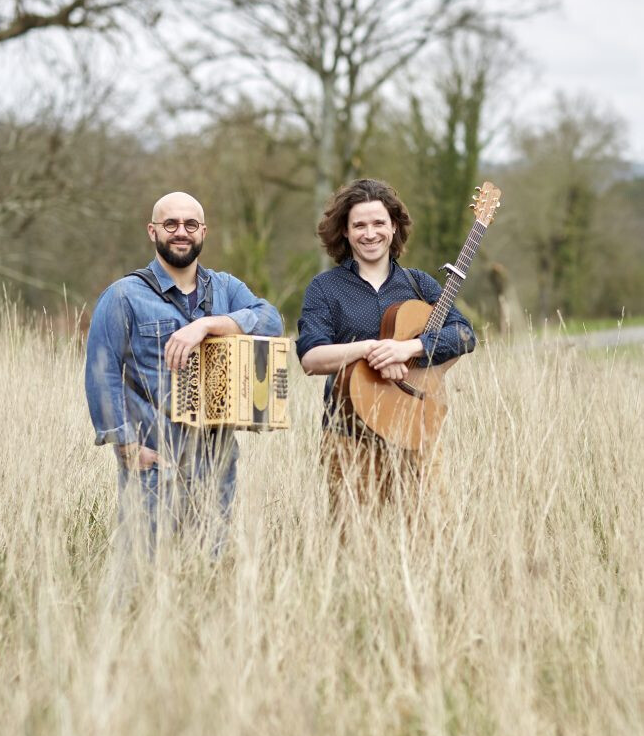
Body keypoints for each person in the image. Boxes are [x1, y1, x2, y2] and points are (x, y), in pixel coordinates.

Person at [85, 191, 283, 552]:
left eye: (190, 224)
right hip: (153, 459)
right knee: (146, 567)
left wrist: (211, 324)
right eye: (170, 224)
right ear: (152, 231)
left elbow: (271, 322)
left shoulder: (226, 288)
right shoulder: (123, 296)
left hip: (216, 457)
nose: (181, 231)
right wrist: (126, 445)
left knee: (205, 568)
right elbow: (103, 372)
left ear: (203, 232)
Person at [296, 178, 476, 508]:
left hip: (416, 431)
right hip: (350, 436)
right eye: (359, 225)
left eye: (379, 223)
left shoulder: (419, 284)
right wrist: (371, 350)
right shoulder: (325, 289)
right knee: (356, 543)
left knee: (430, 534)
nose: (370, 233)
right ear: (345, 232)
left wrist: (409, 348)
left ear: (393, 227)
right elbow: (311, 357)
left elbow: (465, 334)